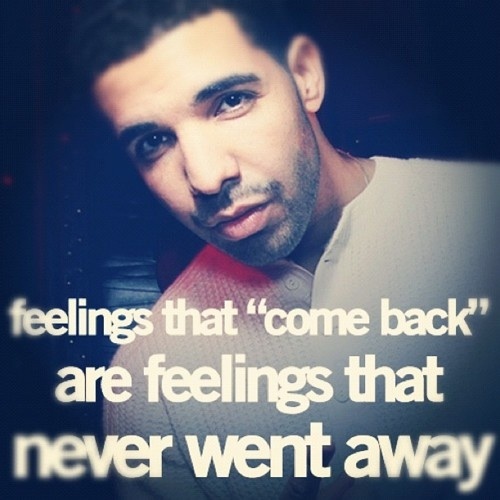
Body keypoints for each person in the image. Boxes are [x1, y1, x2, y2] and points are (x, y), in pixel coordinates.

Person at [74, 1, 499, 498]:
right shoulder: (150, 383)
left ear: (305, 76)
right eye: (153, 142)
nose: (206, 177)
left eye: (231, 101)